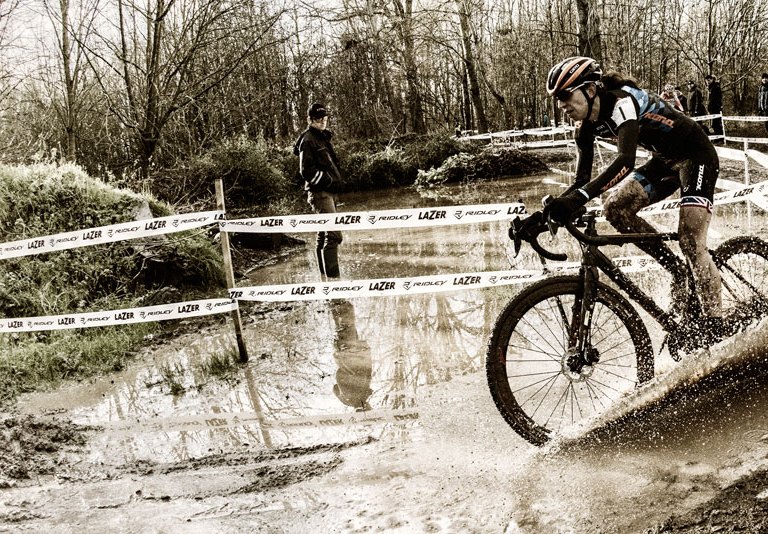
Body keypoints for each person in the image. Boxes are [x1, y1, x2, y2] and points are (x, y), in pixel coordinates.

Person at [543, 56, 725, 342]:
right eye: (556, 99)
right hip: (664, 161)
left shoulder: (621, 102)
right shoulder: (585, 126)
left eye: (565, 96)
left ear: (590, 90)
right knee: (614, 209)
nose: (561, 105)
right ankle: (677, 270)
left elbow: (625, 161)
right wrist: (548, 212)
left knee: (690, 241)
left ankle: (717, 326)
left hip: (695, 156)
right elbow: (581, 182)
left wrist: (578, 198)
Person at [293, 103, 343, 278]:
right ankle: (334, 279)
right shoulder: (308, 140)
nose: (322, 121)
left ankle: (324, 279)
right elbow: (306, 171)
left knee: (323, 234)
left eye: (324, 118)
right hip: (320, 193)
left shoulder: (321, 137)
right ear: (310, 120)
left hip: (327, 192)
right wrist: (328, 181)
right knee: (335, 235)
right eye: (318, 119)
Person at [330, 300, 373, 411]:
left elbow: (365, 374)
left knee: (347, 328)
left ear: (365, 407)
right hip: (345, 357)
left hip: (354, 357)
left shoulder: (361, 395)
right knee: (344, 330)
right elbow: (335, 388)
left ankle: (341, 304)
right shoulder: (346, 401)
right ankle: (336, 305)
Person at [705, 74, 723, 142]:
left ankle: (719, 138)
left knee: (717, 123)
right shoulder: (710, 87)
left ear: (712, 80)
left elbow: (718, 98)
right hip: (712, 108)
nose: (708, 82)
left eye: (709, 80)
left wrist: (718, 107)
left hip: (716, 108)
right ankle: (717, 137)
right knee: (714, 124)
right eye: (706, 81)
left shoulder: (716, 87)